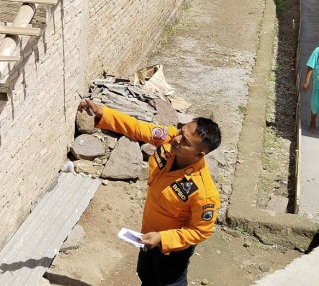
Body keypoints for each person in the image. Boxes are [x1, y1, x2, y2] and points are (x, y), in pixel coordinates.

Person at [78, 98, 221, 286]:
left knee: (168, 282)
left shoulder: (203, 191)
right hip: (147, 235)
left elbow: (201, 231)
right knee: (146, 275)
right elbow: (137, 128)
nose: (176, 139)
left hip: (172, 250)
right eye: (180, 131)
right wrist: (102, 113)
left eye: (184, 141)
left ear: (199, 155)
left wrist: (162, 238)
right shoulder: (170, 139)